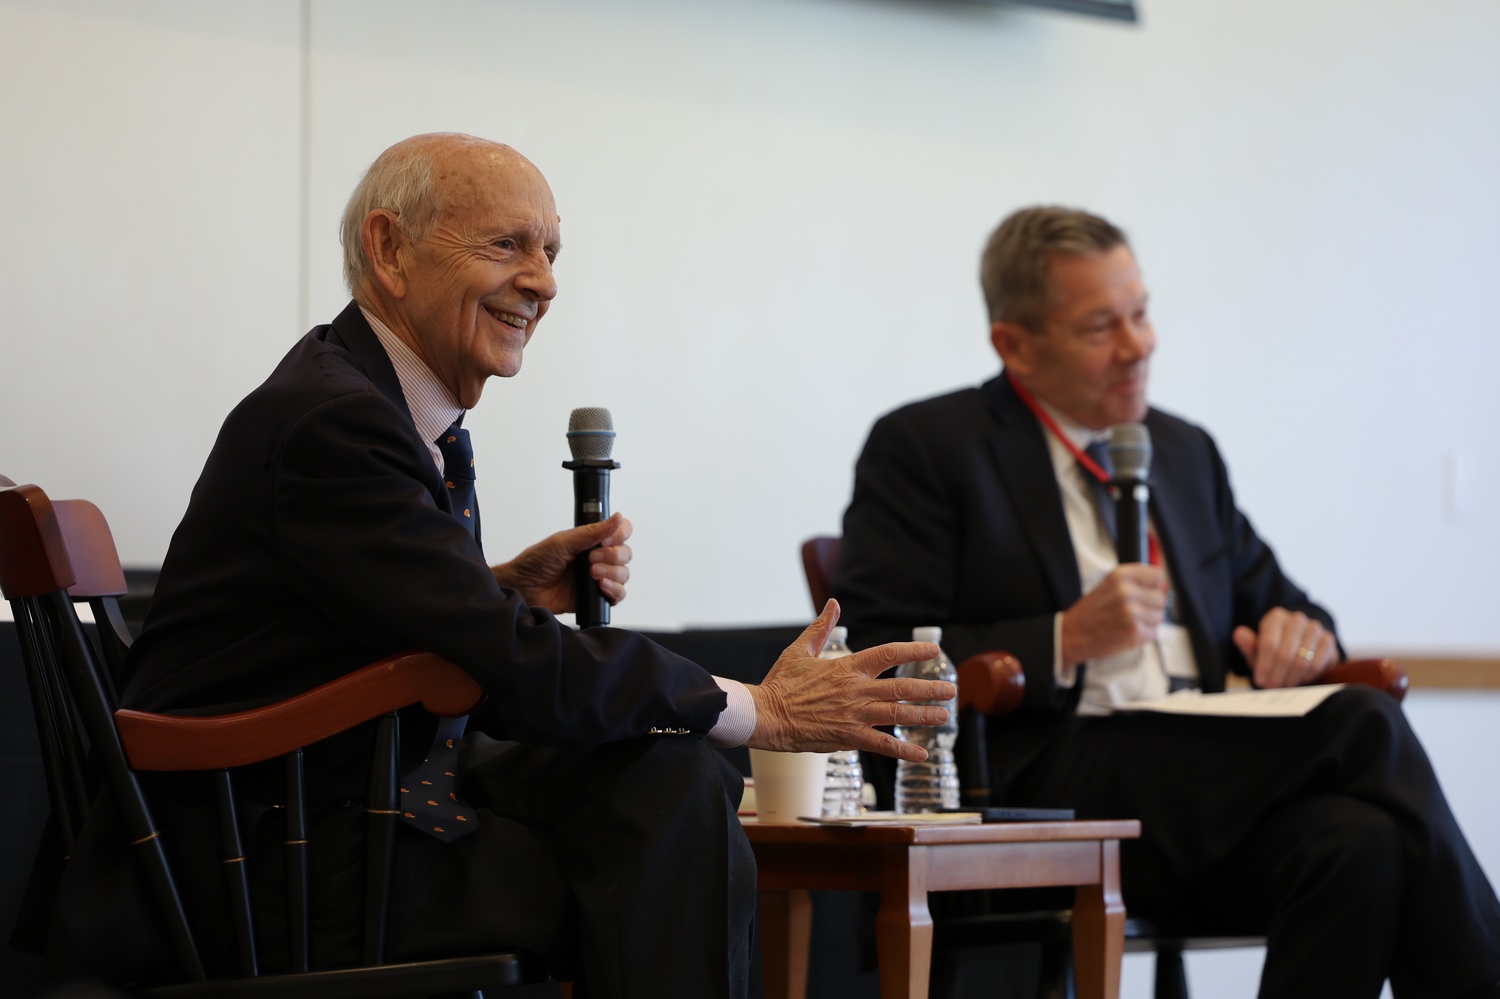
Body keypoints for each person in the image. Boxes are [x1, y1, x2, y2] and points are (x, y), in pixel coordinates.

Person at [50, 133, 953, 998]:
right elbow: (512, 669)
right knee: (667, 848)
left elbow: (374, 622)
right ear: (390, 248)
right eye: (507, 244)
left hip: (334, 801)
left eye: (553, 250)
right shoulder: (336, 421)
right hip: (262, 859)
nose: (545, 282)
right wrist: (765, 709)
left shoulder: (366, 398)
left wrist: (501, 590)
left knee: (667, 781)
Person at [835, 205, 1500, 998]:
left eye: (1142, 313)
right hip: (1047, 778)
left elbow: (1284, 603)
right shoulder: (929, 447)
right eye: (1099, 327)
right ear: (1015, 344)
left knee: (1362, 842)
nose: (1139, 345)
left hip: (1202, 779)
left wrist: (1304, 636)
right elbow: (880, 648)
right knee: (1361, 722)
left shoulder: (1183, 451)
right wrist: (1062, 638)